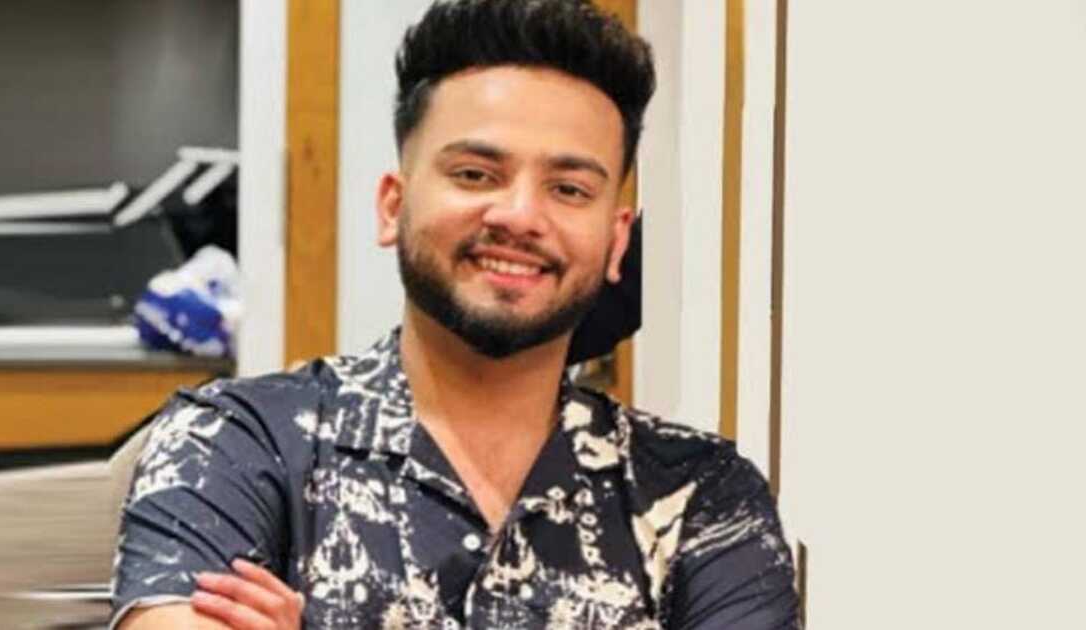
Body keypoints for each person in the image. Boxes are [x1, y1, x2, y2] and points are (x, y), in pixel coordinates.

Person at [111, 1, 799, 628]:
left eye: (568, 188)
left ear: (617, 240)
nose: (520, 216)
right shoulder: (237, 442)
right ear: (393, 206)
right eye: (475, 174)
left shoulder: (701, 494)